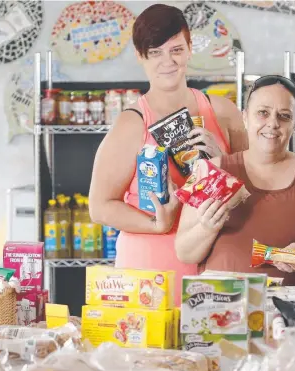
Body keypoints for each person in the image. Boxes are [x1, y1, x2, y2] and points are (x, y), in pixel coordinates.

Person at [88, 4, 247, 302]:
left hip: (217, 264)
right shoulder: (131, 124)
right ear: (140, 57)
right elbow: (99, 206)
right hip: (151, 271)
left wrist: (221, 161)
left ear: (189, 50)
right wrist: (156, 224)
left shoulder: (222, 112)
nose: (167, 61)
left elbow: (254, 183)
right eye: (155, 52)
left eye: (175, 49)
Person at [175, 75, 295, 286]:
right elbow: (184, 253)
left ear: (294, 123)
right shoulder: (211, 170)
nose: (273, 123)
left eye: (284, 116)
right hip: (226, 309)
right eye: (263, 113)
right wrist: (207, 227)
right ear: (245, 117)